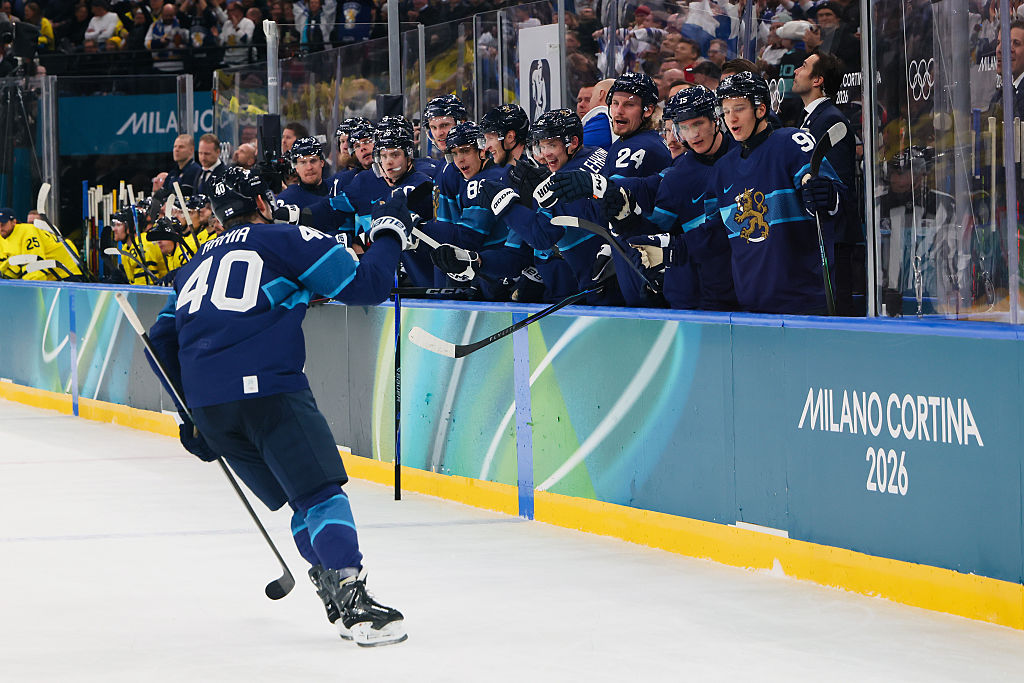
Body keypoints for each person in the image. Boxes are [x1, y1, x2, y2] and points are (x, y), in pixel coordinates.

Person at [147, 166, 413, 647]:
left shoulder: (194, 266)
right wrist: (391, 231)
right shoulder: (283, 239)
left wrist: (192, 415)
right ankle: (353, 599)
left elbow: (158, 345)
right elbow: (368, 286)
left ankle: (334, 590)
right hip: (268, 389)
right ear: (263, 204)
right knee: (320, 493)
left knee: (299, 499)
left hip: (210, 407)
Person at [704, 71, 846, 314]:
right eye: (726, 111)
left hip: (805, 304)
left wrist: (829, 196)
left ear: (760, 110)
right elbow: (713, 237)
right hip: (750, 307)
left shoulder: (792, 142)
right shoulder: (721, 170)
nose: (731, 118)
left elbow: (839, 202)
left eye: (739, 108)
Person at [0, 207, 84, 280]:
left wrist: (29, 288)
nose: (0, 228)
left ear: (14, 222)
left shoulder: (28, 232)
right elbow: (10, 264)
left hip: (67, 272)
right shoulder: (4, 237)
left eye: (3, 224)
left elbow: (36, 264)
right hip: (53, 276)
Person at [274, 136, 330, 209]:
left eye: (313, 161)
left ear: (322, 163)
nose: (309, 167)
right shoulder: (287, 199)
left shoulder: (336, 189)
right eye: (303, 163)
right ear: (296, 167)